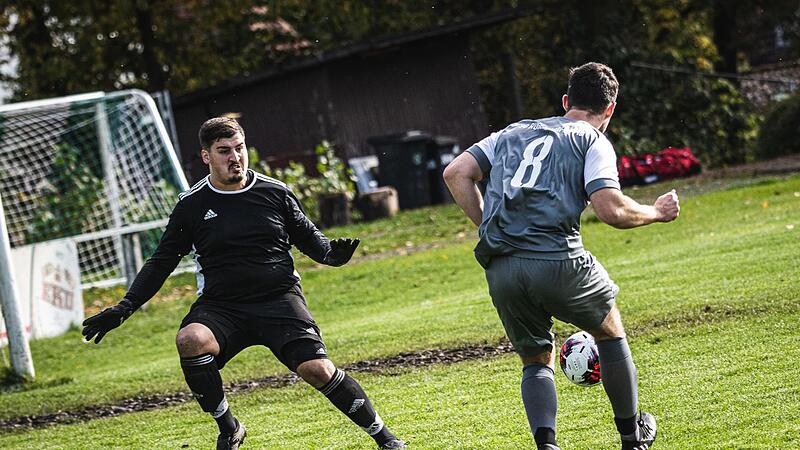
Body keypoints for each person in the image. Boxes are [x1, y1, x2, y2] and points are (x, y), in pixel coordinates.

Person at [82, 117, 406, 450]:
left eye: (240, 149)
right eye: (224, 151)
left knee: (318, 369)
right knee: (190, 340)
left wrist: (331, 255)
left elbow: (311, 240)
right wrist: (125, 307)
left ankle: (387, 439)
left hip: (279, 300)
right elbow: (161, 262)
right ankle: (230, 428)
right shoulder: (192, 205)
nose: (235, 157)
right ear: (206, 156)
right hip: (222, 306)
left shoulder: (274, 193)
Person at [443, 62, 679, 450]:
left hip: (501, 267)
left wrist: (490, 226)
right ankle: (632, 438)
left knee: (536, 358)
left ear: (566, 100)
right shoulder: (591, 139)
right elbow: (611, 210)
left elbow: (456, 173)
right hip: (557, 260)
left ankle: (547, 445)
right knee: (609, 329)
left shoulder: (512, 131)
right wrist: (657, 212)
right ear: (610, 109)